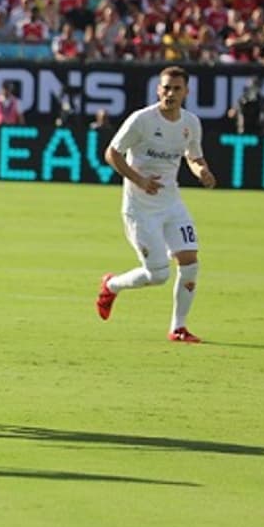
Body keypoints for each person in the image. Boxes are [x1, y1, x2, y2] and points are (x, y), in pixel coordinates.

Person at [95, 66, 217, 344]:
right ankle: (111, 285)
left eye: (176, 88)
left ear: (186, 92)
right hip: (140, 208)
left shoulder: (190, 123)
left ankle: (178, 328)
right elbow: (112, 153)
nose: (170, 93)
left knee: (190, 263)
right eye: (166, 88)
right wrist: (139, 180)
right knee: (159, 274)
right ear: (158, 90)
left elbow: (194, 156)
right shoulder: (142, 120)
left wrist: (202, 172)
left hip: (172, 204)